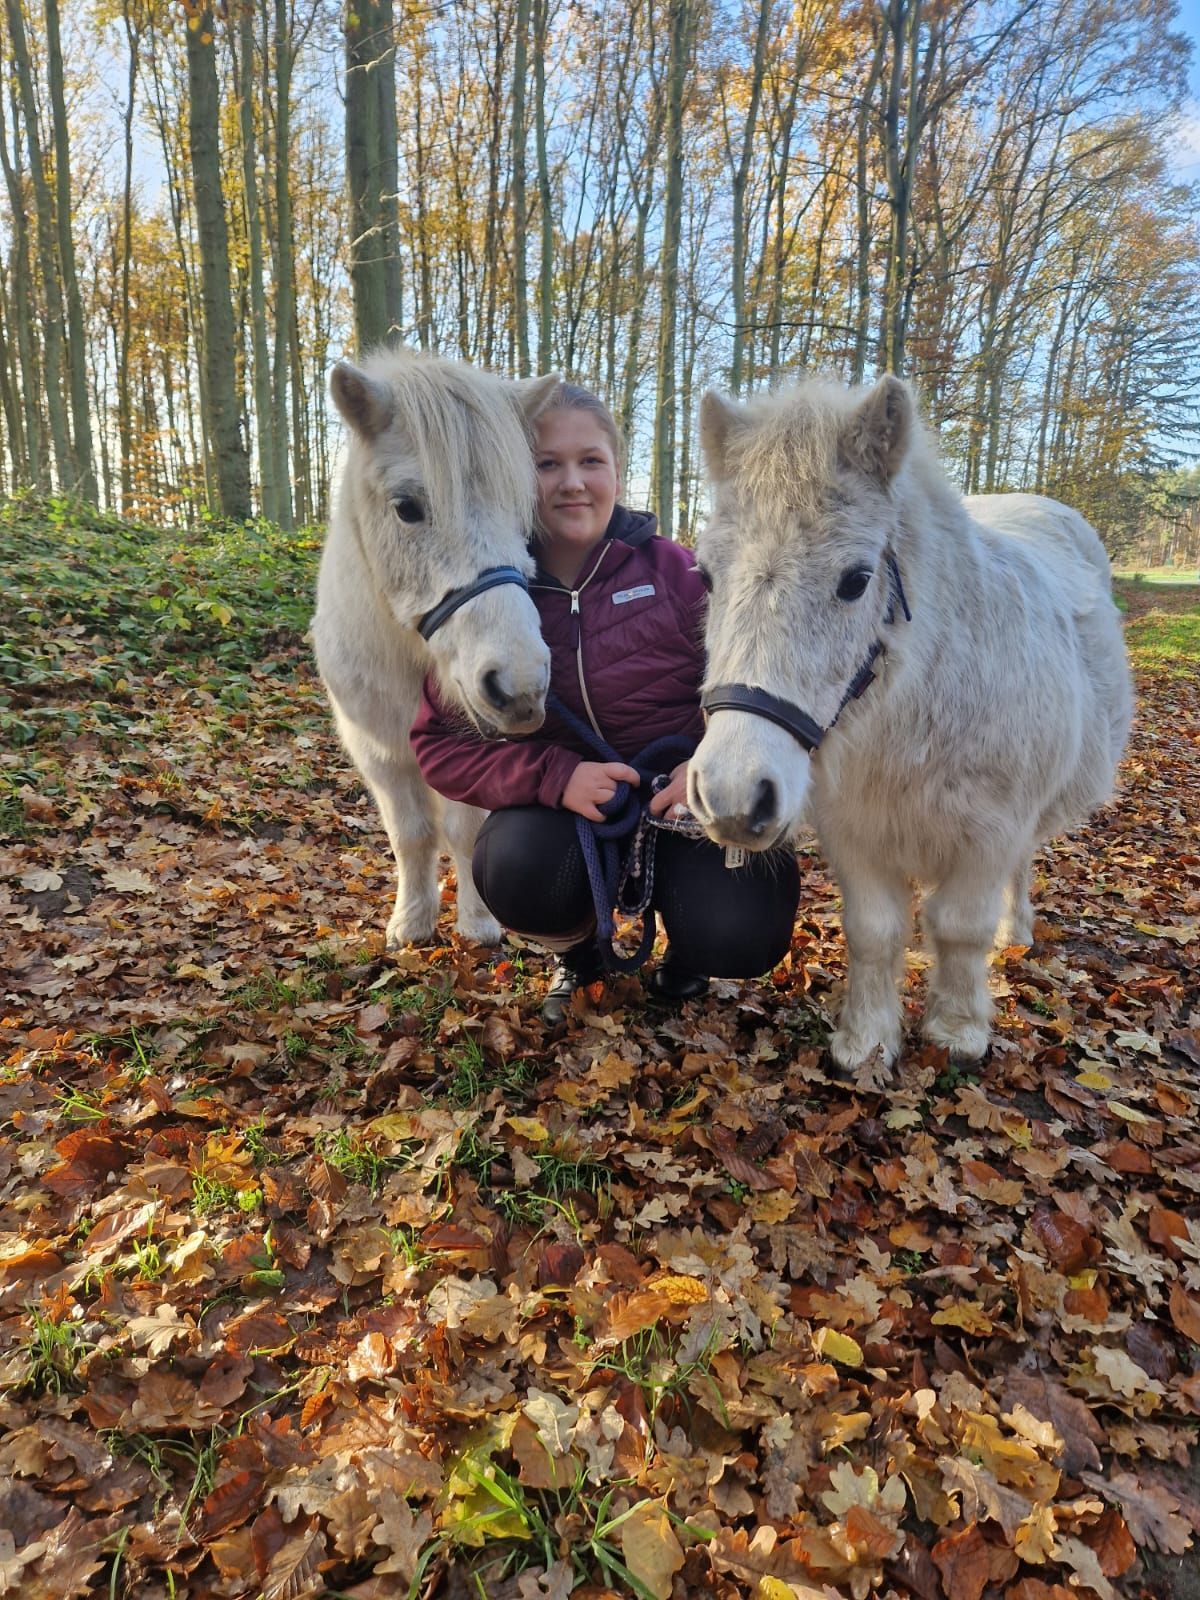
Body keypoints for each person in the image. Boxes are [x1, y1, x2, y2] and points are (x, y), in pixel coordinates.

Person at [410, 382, 800, 1024]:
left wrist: (704, 765)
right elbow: (438, 744)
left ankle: (691, 953)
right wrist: (554, 776)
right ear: (517, 476)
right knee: (514, 868)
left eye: (591, 460)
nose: (572, 483)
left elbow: (758, 686)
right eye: (546, 463)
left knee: (743, 927)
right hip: (565, 816)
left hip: (682, 801)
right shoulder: (489, 595)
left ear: (618, 471)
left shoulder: (682, 576)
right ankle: (578, 954)